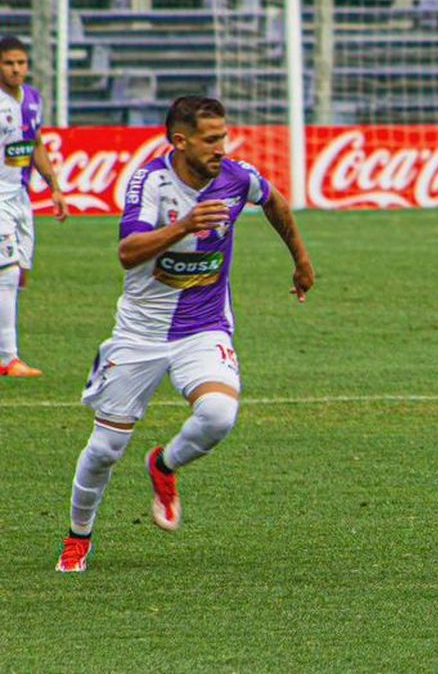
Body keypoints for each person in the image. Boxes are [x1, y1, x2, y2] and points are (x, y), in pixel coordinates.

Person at [55, 96, 315, 573]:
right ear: (180, 141)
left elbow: (274, 200)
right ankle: (78, 537)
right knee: (105, 450)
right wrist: (184, 226)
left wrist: (300, 260)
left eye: (224, 136)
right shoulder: (149, 182)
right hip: (139, 334)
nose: (222, 147)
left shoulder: (236, 178)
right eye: (211, 139)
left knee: (218, 414)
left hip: (203, 327)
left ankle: (165, 465)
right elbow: (128, 252)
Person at [0, 35, 68, 377]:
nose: (16, 69)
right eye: (8, 63)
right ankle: (7, 359)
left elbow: (35, 142)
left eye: (20, 62)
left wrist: (54, 187)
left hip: (21, 197)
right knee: (7, 272)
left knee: (20, 274)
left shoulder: (33, 99)